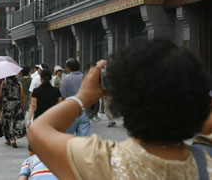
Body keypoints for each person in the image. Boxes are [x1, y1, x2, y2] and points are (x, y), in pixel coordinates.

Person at [28, 39, 212, 179]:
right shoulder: (207, 165)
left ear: (121, 99)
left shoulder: (103, 160)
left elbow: (37, 131)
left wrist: (83, 97)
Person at [60, 58, 90, 136]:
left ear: (68, 68)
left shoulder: (65, 80)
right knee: (83, 140)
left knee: (67, 138)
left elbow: (63, 98)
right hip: (84, 111)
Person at [0, 75, 26, 148]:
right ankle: (14, 140)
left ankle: (8, 140)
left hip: (7, 105)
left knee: (7, 122)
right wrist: (23, 107)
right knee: (15, 122)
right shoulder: (19, 83)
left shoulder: (4, 83)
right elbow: (22, 96)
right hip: (16, 104)